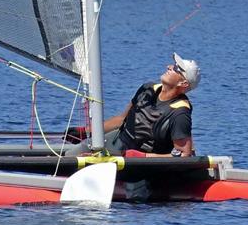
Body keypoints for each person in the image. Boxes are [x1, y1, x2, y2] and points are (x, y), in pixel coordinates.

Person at [66, 53, 200, 157]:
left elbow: (184, 154)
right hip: (118, 141)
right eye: (173, 64)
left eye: (177, 68)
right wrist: (88, 132)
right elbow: (121, 119)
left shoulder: (180, 113)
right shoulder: (147, 89)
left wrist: (143, 156)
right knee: (70, 155)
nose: (169, 67)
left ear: (183, 83)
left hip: (139, 160)